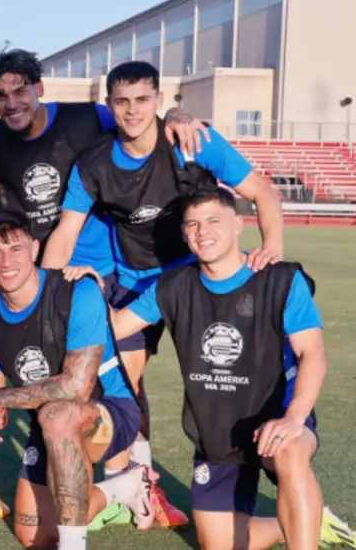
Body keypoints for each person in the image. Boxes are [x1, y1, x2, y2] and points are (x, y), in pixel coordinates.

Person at [42, 60, 285, 528]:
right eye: (121, 101)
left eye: (141, 99)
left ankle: (270, 479)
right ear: (110, 105)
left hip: (201, 278)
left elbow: (262, 193)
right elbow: (65, 233)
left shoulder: (192, 142)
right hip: (137, 281)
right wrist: (44, 298)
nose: (132, 110)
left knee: (226, 377)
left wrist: (270, 250)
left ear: (159, 100)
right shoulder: (94, 163)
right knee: (122, 376)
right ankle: (137, 479)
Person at [108, 188, 356, 550]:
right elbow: (113, 328)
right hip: (217, 432)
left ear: (238, 224)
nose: (201, 231)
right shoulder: (172, 287)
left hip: (277, 419)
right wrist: (85, 287)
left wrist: (294, 418)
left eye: (212, 220)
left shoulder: (281, 279)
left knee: (286, 449)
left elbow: (312, 354)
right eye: (191, 224)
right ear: (184, 234)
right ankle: (311, 520)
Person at [0, 210, 155, 550]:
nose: (6, 261)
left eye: (16, 248)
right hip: (50, 423)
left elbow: (77, 387)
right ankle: (125, 487)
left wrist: (1, 400)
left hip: (110, 411)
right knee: (34, 536)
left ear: (34, 248)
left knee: (57, 413)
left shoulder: (77, 291)